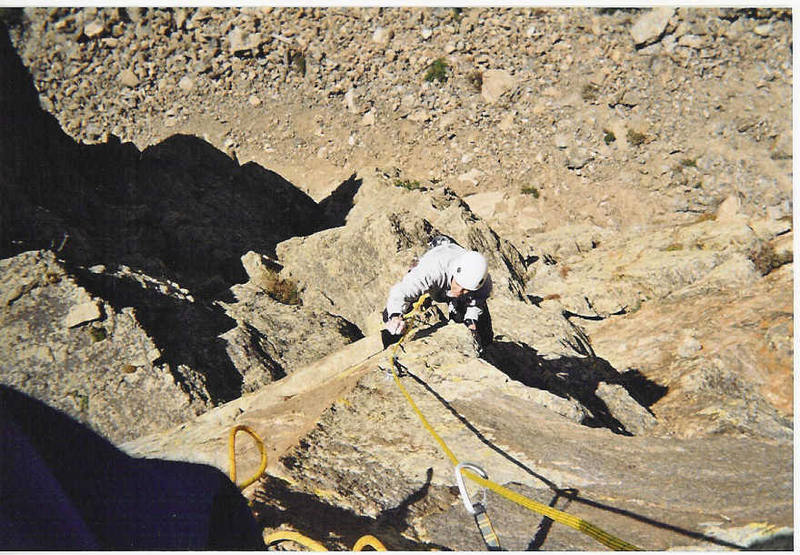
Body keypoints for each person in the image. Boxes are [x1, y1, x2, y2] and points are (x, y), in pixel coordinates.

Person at [382, 236, 493, 356]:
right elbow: (402, 291)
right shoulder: (431, 270)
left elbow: (477, 301)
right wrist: (395, 316)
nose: (459, 291)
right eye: (458, 284)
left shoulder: (483, 284)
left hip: (451, 262)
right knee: (393, 317)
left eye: (465, 289)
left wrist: (471, 319)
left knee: (483, 334)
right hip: (438, 259)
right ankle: (391, 351)